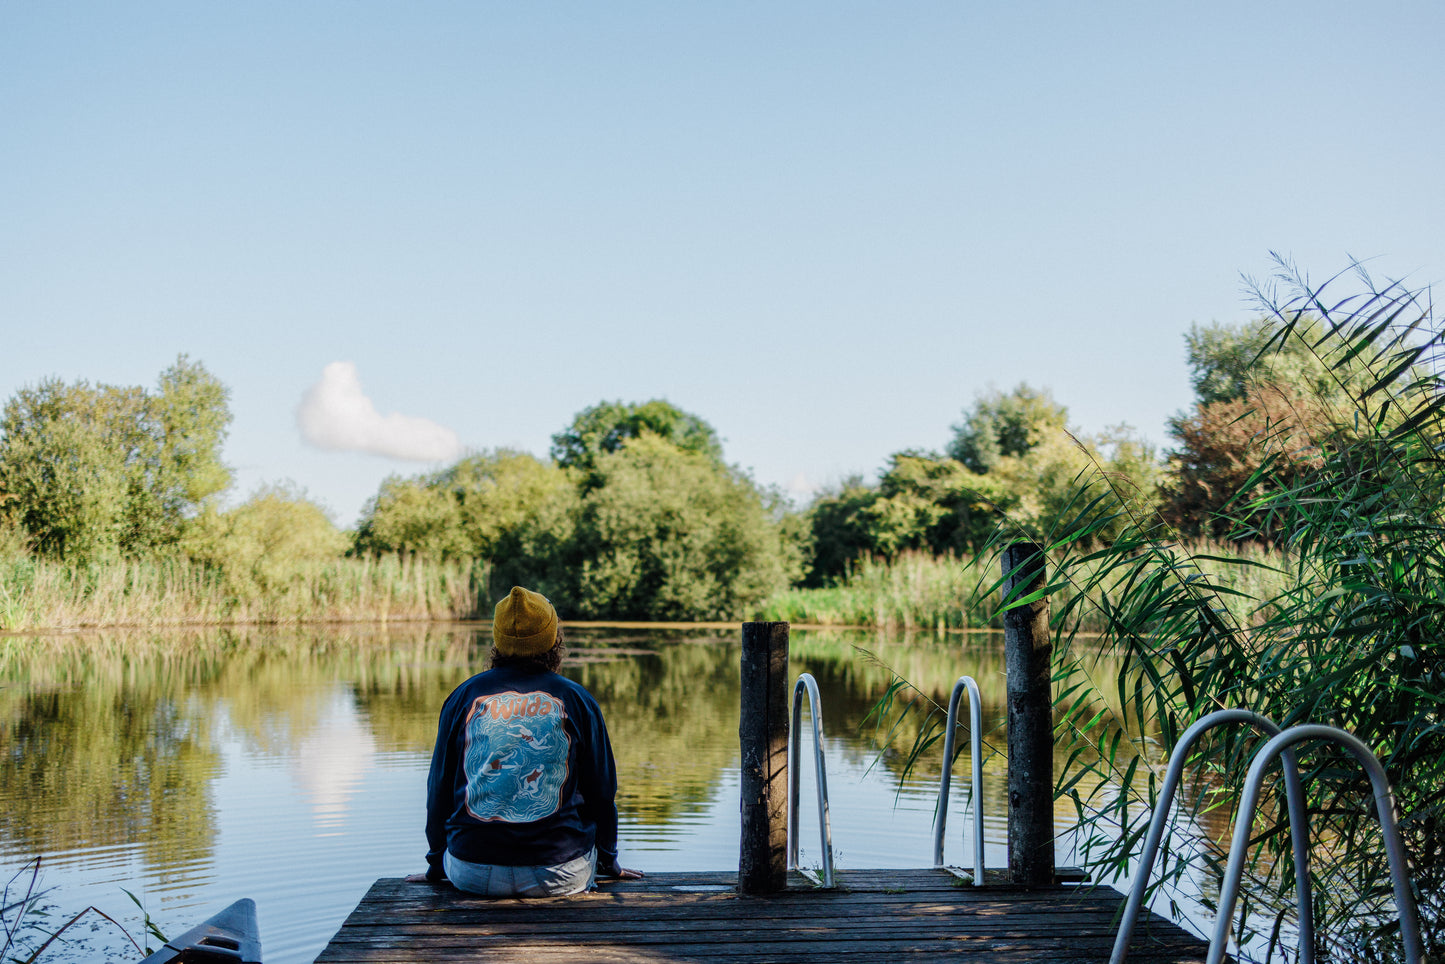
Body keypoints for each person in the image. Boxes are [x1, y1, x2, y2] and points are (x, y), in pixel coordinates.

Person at [408, 586, 642, 896]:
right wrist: (609, 861)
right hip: (560, 873)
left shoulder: (463, 697)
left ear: (497, 639)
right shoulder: (577, 699)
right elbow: (602, 792)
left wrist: (437, 865)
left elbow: (438, 790)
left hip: (472, 871)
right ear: (553, 639)